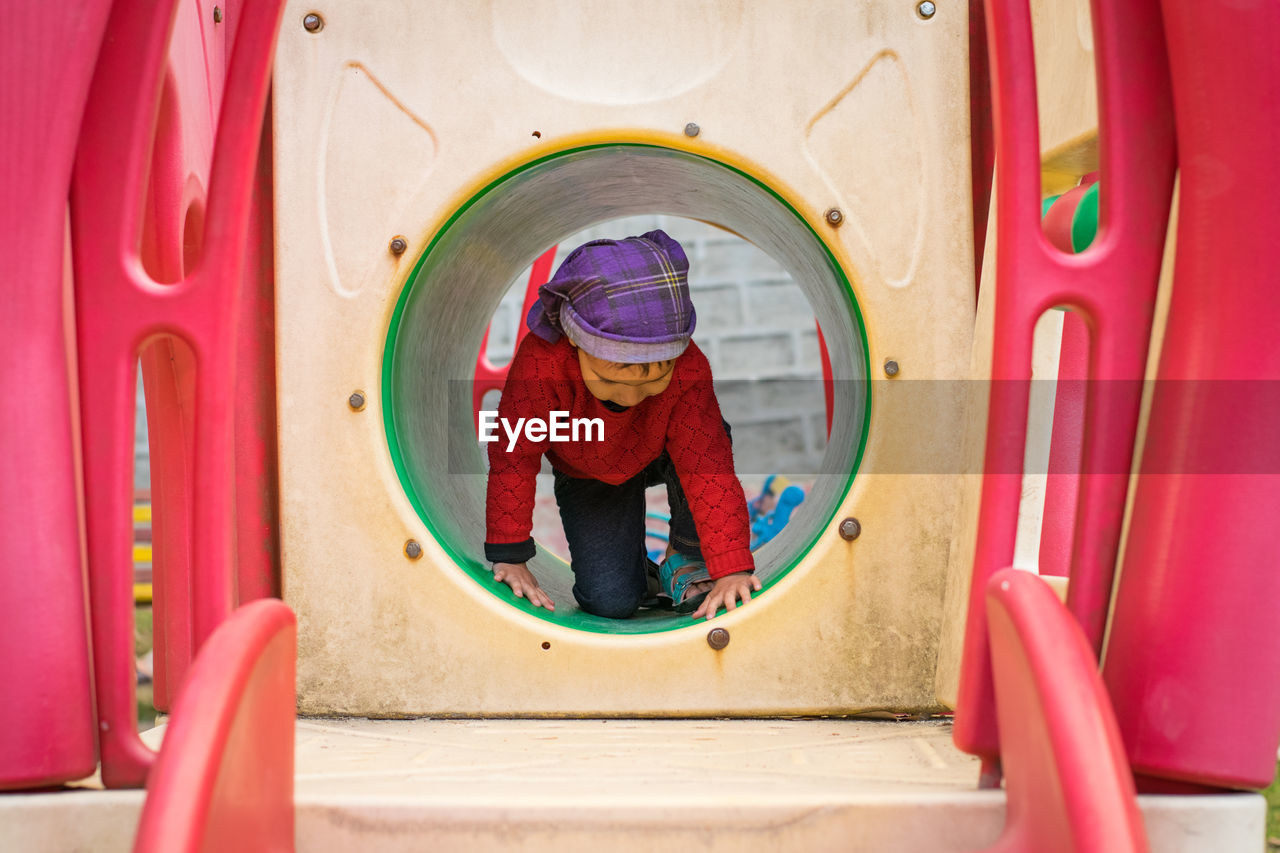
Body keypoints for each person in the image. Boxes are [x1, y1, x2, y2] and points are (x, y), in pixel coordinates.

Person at [483, 230, 761, 620]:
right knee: (611, 601)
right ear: (576, 343)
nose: (631, 397)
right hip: (588, 468)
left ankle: (685, 557)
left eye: (652, 381)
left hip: (664, 451)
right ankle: (639, 576)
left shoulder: (688, 367)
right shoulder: (542, 363)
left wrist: (732, 568)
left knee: (710, 438)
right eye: (612, 381)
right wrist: (510, 553)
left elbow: (706, 468)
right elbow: (514, 454)